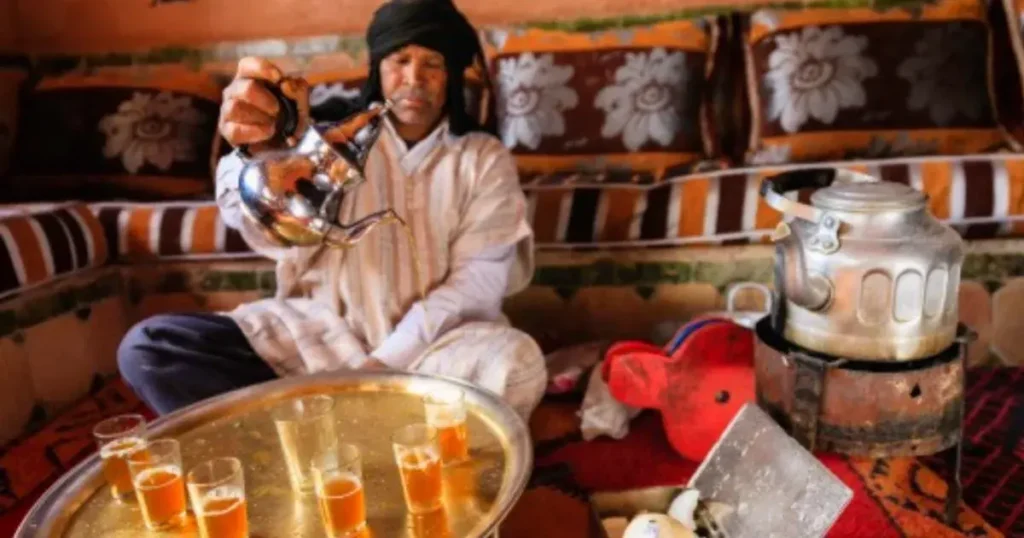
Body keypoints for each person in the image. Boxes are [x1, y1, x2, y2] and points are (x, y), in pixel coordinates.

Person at [116, 0, 547, 420]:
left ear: (450, 75)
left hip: (436, 351)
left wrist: (383, 364)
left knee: (515, 366)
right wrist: (258, 155)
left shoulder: (482, 158)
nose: (414, 77)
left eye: (432, 63)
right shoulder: (328, 142)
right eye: (400, 59)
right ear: (378, 68)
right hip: (319, 337)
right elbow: (261, 221)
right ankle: (369, 435)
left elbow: (479, 281)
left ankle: (309, 430)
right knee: (150, 349)